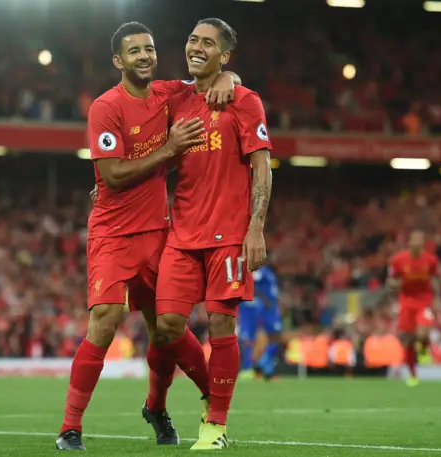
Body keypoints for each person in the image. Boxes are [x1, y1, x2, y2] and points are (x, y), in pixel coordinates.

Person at [56, 22, 240, 451]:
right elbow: (113, 175)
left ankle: (160, 407)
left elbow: (214, 75)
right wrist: (170, 150)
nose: (143, 56)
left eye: (149, 49)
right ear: (118, 61)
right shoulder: (106, 107)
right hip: (113, 234)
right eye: (133, 51)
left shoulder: (169, 93)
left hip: (159, 232)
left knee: (167, 332)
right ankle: (70, 427)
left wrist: (231, 77)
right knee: (104, 321)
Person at [154, 18, 272, 450]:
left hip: (229, 235)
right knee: (166, 326)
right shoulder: (175, 98)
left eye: (208, 43)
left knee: (222, 324)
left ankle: (216, 424)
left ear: (225, 55)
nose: (196, 47)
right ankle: (211, 390)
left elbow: (262, 166)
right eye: (192, 39)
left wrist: (256, 227)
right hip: (181, 233)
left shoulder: (244, 100)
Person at [387, 230, 440, 387]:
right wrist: (393, 286)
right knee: (409, 339)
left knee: (422, 332)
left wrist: (437, 301)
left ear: (423, 244)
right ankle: (412, 374)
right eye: (414, 241)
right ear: (410, 243)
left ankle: (424, 350)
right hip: (406, 301)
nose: (417, 244)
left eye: (420, 241)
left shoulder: (431, 261)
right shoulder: (398, 260)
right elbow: (391, 280)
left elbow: (435, 280)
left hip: (424, 301)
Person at [238, 264, 282, 380]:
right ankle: (248, 369)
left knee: (274, 336)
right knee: (248, 339)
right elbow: (249, 283)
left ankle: (265, 367)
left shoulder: (269, 273)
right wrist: (264, 299)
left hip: (270, 308)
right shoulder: (258, 271)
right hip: (258, 307)